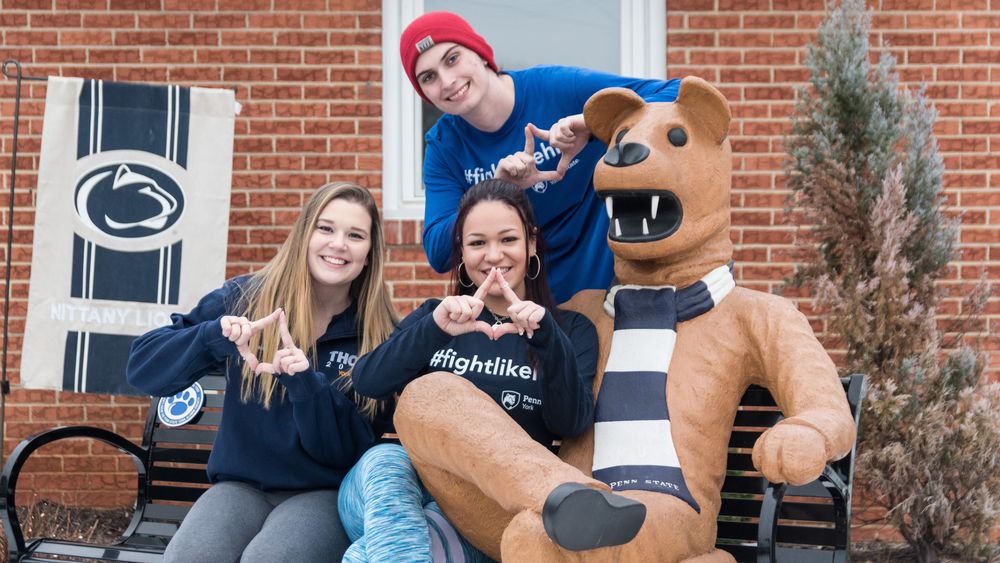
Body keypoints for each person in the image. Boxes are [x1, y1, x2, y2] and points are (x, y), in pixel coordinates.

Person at [126, 182, 397, 562]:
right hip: (240, 488)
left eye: (355, 235)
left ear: (369, 254)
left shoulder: (379, 334)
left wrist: (306, 386)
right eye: (326, 228)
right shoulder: (246, 299)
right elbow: (142, 369)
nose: (338, 244)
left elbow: (345, 453)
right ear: (304, 234)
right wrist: (212, 337)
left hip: (324, 494)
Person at [338, 179, 598, 562]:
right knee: (386, 460)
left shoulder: (570, 330)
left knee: (367, 555)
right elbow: (368, 380)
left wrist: (547, 339)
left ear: (531, 244)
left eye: (507, 240)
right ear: (461, 253)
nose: (493, 255)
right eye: (477, 243)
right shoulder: (434, 317)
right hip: (394, 489)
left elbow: (570, 423)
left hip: (482, 515)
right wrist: (435, 330)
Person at [400, 11, 680, 303]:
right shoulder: (444, 146)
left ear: (481, 53)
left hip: (611, 292)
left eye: (452, 59)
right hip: (529, 313)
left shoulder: (556, 88)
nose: (446, 81)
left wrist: (591, 122)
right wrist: (495, 190)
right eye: (428, 77)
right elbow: (439, 252)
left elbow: (674, 94)